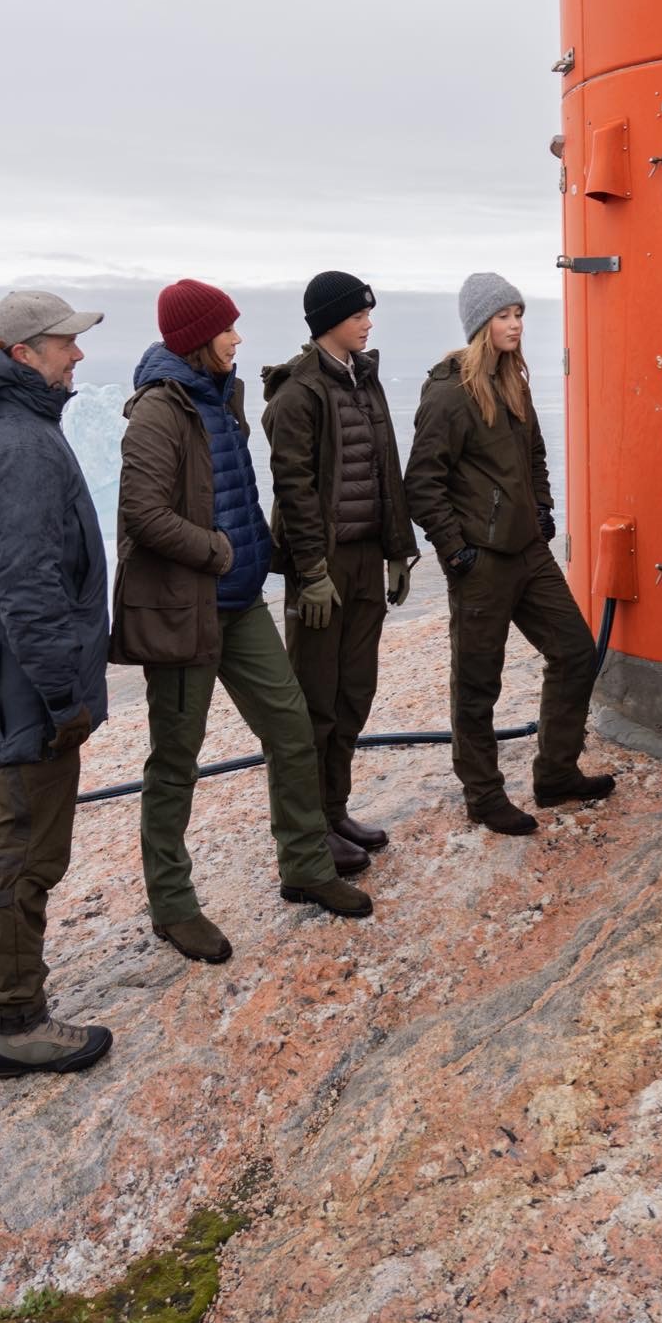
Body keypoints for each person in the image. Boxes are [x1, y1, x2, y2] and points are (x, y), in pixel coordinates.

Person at [110, 278, 371, 965]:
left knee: (289, 728)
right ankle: (173, 906)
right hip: (186, 613)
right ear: (200, 338)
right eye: (228, 328)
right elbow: (142, 512)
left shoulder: (220, 396)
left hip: (239, 604)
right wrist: (222, 550)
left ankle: (307, 866)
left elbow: (235, 490)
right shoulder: (158, 413)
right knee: (176, 761)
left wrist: (262, 551)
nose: (238, 337)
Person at [0, 290, 113, 1079]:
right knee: (28, 846)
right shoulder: (18, 445)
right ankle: (14, 1020)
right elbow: (28, 588)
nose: (76, 355)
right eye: (62, 343)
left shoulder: (11, 426)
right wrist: (64, 694)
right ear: (22, 356)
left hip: (6, 682)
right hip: (29, 687)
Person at [405, 271, 616, 835]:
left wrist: (544, 511)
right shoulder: (449, 395)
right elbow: (422, 484)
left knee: (575, 653)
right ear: (481, 324)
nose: (516, 323)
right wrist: (456, 551)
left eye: (519, 313)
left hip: (530, 552)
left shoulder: (514, 379)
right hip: (481, 562)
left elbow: (536, 456)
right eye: (504, 315)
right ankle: (483, 795)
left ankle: (555, 773)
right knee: (478, 685)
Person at [261, 271, 418, 873]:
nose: (369, 323)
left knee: (355, 693)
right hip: (321, 571)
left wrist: (398, 551)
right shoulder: (297, 393)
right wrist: (310, 572)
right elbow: (293, 489)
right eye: (359, 315)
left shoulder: (364, 379)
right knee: (311, 705)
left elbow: (386, 473)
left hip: (364, 560)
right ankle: (306, 829)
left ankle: (334, 809)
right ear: (330, 320)